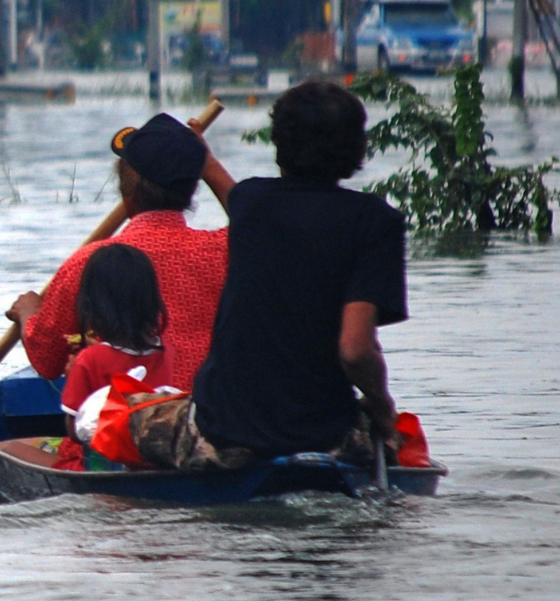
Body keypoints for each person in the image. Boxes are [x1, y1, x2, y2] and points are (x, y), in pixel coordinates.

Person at [132, 81, 406, 470]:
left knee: (125, 413)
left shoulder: (252, 204)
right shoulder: (377, 222)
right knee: (385, 435)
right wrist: (383, 408)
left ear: (278, 144)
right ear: (358, 149)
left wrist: (202, 156)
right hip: (325, 438)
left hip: (220, 434)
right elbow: (358, 352)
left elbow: (354, 348)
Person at [7, 114, 237, 394]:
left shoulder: (91, 262)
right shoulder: (228, 250)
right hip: (209, 422)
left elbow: (47, 360)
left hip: (126, 429)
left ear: (129, 185)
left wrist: (28, 313)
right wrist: (208, 164)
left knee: (11, 443)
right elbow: (255, 224)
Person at [49, 244, 178, 472]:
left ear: (92, 305)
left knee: (9, 447)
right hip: (154, 461)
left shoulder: (89, 359)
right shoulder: (167, 351)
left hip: (103, 465)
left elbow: (74, 430)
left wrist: (73, 377)